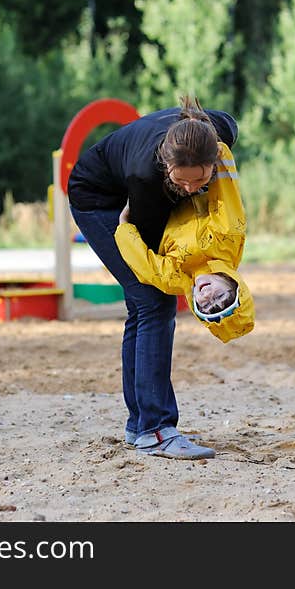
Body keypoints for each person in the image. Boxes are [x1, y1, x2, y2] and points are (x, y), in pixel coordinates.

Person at [67, 96, 239, 460]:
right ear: (166, 164)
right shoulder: (147, 181)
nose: (191, 188)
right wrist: (192, 281)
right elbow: (151, 261)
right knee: (153, 300)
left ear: (215, 159)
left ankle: (139, 425)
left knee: (144, 305)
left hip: (126, 186)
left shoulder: (217, 131)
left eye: (201, 180)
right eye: (182, 181)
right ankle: (155, 429)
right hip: (99, 200)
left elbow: (228, 123)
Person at [114, 140, 254, 345]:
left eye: (206, 306)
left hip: (161, 206)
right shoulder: (228, 239)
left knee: (143, 175)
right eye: (220, 297)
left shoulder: (174, 279)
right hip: (197, 184)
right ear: (232, 283)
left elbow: (143, 264)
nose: (208, 295)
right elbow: (227, 195)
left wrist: (124, 224)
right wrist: (217, 153)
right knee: (226, 125)